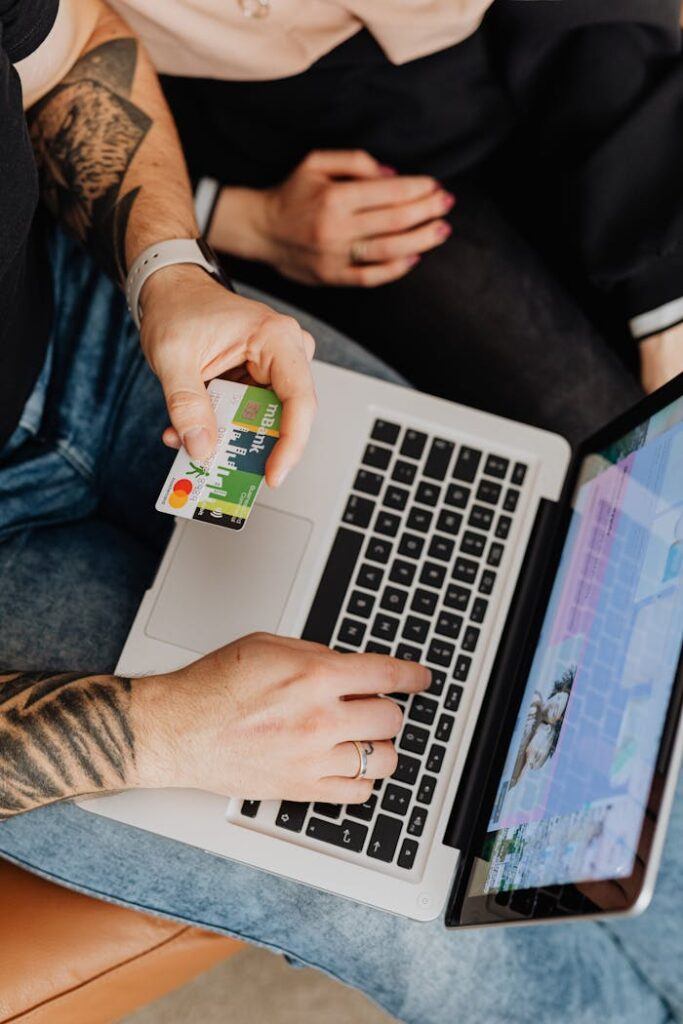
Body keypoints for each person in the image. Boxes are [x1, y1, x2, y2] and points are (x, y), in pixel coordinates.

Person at [1, 3, 683, 1023]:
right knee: (414, 912)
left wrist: (167, 266)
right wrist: (159, 731)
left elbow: (62, 54)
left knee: (567, 626)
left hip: (101, 329)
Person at [109, 0, 683, 447]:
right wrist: (233, 217)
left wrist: (665, 301)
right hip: (279, 175)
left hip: (549, 60)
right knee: (600, 438)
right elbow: (42, 77)